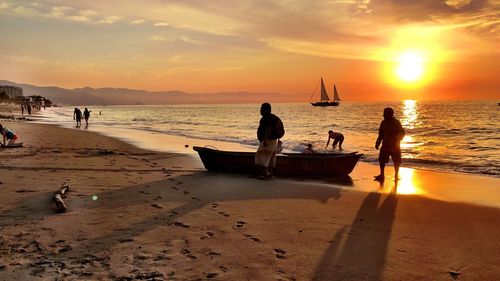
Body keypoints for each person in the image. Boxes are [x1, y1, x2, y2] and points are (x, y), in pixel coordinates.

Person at [374, 107, 405, 182]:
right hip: (385, 145)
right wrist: (377, 143)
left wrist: (397, 139)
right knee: (381, 160)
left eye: (385, 114)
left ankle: (396, 175)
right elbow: (380, 134)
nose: (384, 115)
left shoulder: (396, 122)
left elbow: (402, 133)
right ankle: (382, 175)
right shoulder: (383, 123)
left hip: (395, 146)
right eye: (384, 114)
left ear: (391, 114)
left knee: (396, 162)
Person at [254, 103, 285, 179]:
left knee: (261, 156)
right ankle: (271, 173)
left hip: (268, 140)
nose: (260, 110)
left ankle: (264, 173)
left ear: (265, 110)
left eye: (261, 109)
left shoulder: (267, 118)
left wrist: (265, 140)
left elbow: (268, 129)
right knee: (271, 157)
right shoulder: (273, 117)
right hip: (274, 140)